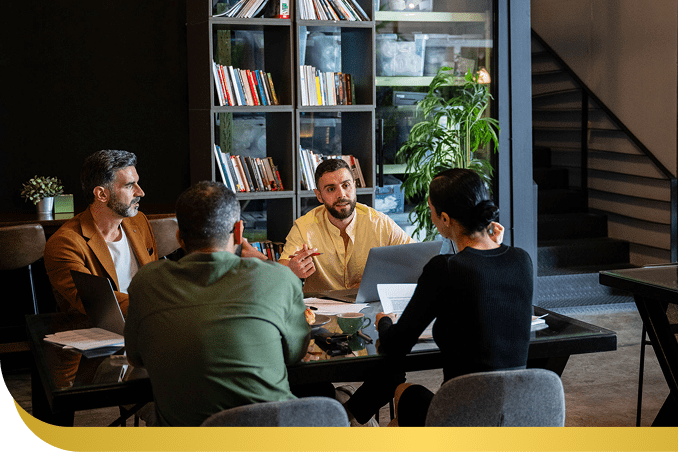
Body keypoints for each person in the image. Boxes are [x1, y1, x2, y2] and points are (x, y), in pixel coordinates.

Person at [342, 168, 534, 426]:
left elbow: (396, 346)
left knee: (404, 392)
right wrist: (493, 245)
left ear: (445, 218)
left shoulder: (445, 268)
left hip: (459, 420)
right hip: (513, 417)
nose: (431, 216)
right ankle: (346, 416)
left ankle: (343, 418)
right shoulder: (522, 260)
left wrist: (383, 322)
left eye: (431, 209)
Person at [124, 181, 310, 427]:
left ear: (179, 237)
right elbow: (295, 354)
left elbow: (136, 357)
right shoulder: (279, 277)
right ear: (239, 231)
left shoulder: (145, 283)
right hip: (270, 437)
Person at [44, 149, 158, 315]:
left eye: (137, 183)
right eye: (129, 186)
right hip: (98, 330)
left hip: (148, 320)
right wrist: (158, 307)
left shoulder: (139, 221)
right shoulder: (64, 243)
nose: (140, 192)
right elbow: (96, 302)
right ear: (102, 194)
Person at [279, 158, 412, 291]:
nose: (341, 194)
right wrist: (291, 271)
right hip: (322, 310)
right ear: (319, 195)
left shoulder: (379, 222)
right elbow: (280, 273)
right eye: (331, 189)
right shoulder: (304, 227)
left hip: (370, 308)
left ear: (354, 186)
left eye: (346, 185)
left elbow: (415, 260)